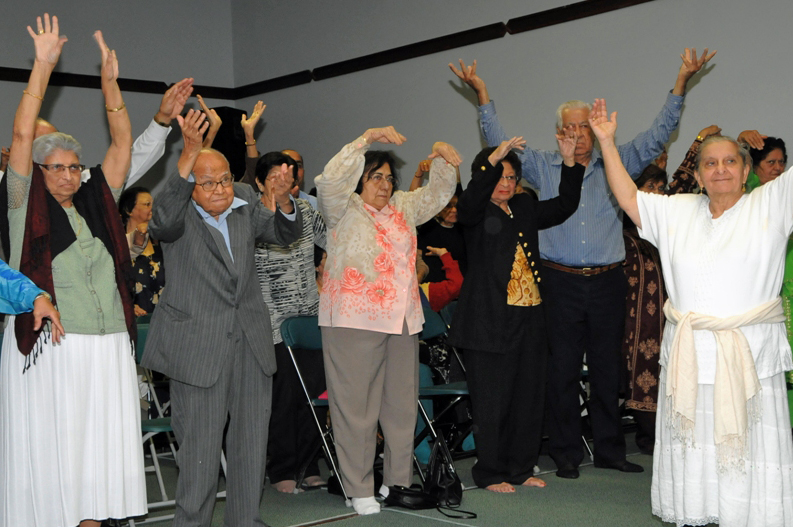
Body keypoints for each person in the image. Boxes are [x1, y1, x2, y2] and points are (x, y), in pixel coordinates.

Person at [449, 48, 715, 478]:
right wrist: (482, 94)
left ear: (596, 129)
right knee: (561, 372)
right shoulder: (539, 164)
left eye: (585, 126)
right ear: (559, 132)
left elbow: (658, 133)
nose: (578, 134)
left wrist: (681, 81)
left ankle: (610, 450)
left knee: (609, 371)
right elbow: (499, 142)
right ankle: (567, 454)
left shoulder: (619, 159)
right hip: (558, 281)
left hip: (610, 280)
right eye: (570, 128)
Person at [591, 97, 793, 527]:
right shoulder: (677, 212)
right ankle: (698, 515)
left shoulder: (771, 204)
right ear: (698, 176)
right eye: (710, 163)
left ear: (745, 169)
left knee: (749, 449)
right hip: (691, 357)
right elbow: (627, 195)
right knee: (695, 447)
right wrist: (606, 142)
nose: (721, 169)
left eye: (730, 161)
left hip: (751, 359)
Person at [0, 17, 145, 527]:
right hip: (55, 346)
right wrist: (42, 66)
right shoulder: (20, 203)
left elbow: (123, 145)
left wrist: (110, 85)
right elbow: (21, 131)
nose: (68, 174)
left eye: (74, 166)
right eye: (56, 166)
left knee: (98, 458)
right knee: (59, 453)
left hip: (106, 345)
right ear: (37, 171)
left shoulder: (97, 206)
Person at [141, 108, 302, 527]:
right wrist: (188, 153)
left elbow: (284, 233)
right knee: (199, 452)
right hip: (197, 349)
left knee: (251, 445)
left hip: (250, 343)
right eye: (207, 182)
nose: (219, 188)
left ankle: (243, 521)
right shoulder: (177, 217)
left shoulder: (246, 203)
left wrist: (283, 199)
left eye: (225, 179)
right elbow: (159, 221)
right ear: (191, 186)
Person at [315, 126, 459, 515]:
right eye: (374, 177)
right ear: (359, 181)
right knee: (355, 409)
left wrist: (442, 156)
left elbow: (439, 194)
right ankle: (358, 486)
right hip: (353, 320)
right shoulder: (341, 207)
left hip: (401, 319)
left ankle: (397, 483)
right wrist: (363, 139)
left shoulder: (402, 208)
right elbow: (329, 180)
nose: (384, 184)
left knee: (400, 408)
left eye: (388, 177)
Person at [447, 133, 583, 492]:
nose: (505, 184)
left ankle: (521, 467)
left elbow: (565, 205)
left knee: (528, 396)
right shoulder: (475, 212)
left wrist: (569, 164)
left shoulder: (523, 207)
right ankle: (490, 472)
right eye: (499, 176)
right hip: (488, 322)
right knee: (493, 401)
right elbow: (470, 201)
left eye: (510, 177)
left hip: (530, 318)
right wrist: (490, 164)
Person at [249, 151, 328, 494]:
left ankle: (309, 464)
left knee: (313, 397)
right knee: (283, 399)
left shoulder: (308, 211)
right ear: (258, 182)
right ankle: (281, 469)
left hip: (310, 316)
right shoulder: (250, 215)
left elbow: (333, 243)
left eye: (288, 178)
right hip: (271, 322)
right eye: (274, 178)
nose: (283, 183)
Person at [119, 186, 164, 316]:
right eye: (147, 204)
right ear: (129, 210)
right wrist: (125, 307)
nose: (152, 209)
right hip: (130, 320)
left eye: (153, 204)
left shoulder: (162, 246)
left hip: (161, 321)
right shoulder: (117, 247)